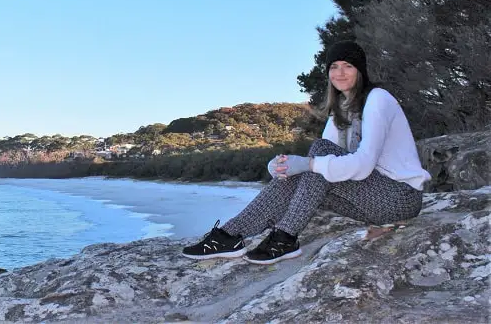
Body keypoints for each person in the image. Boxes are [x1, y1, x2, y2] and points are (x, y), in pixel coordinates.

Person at [181, 40, 431, 265]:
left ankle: (285, 236)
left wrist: (306, 164)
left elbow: (360, 164)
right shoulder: (341, 108)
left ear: (360, 70)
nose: (340, 73)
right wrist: (280, 167)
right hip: (369, 200)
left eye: (348, 66)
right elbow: (321, 165)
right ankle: (230, 235)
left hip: (400, 197)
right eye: (334, 66)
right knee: (310, 167)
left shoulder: (378, 99)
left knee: (316, 159)